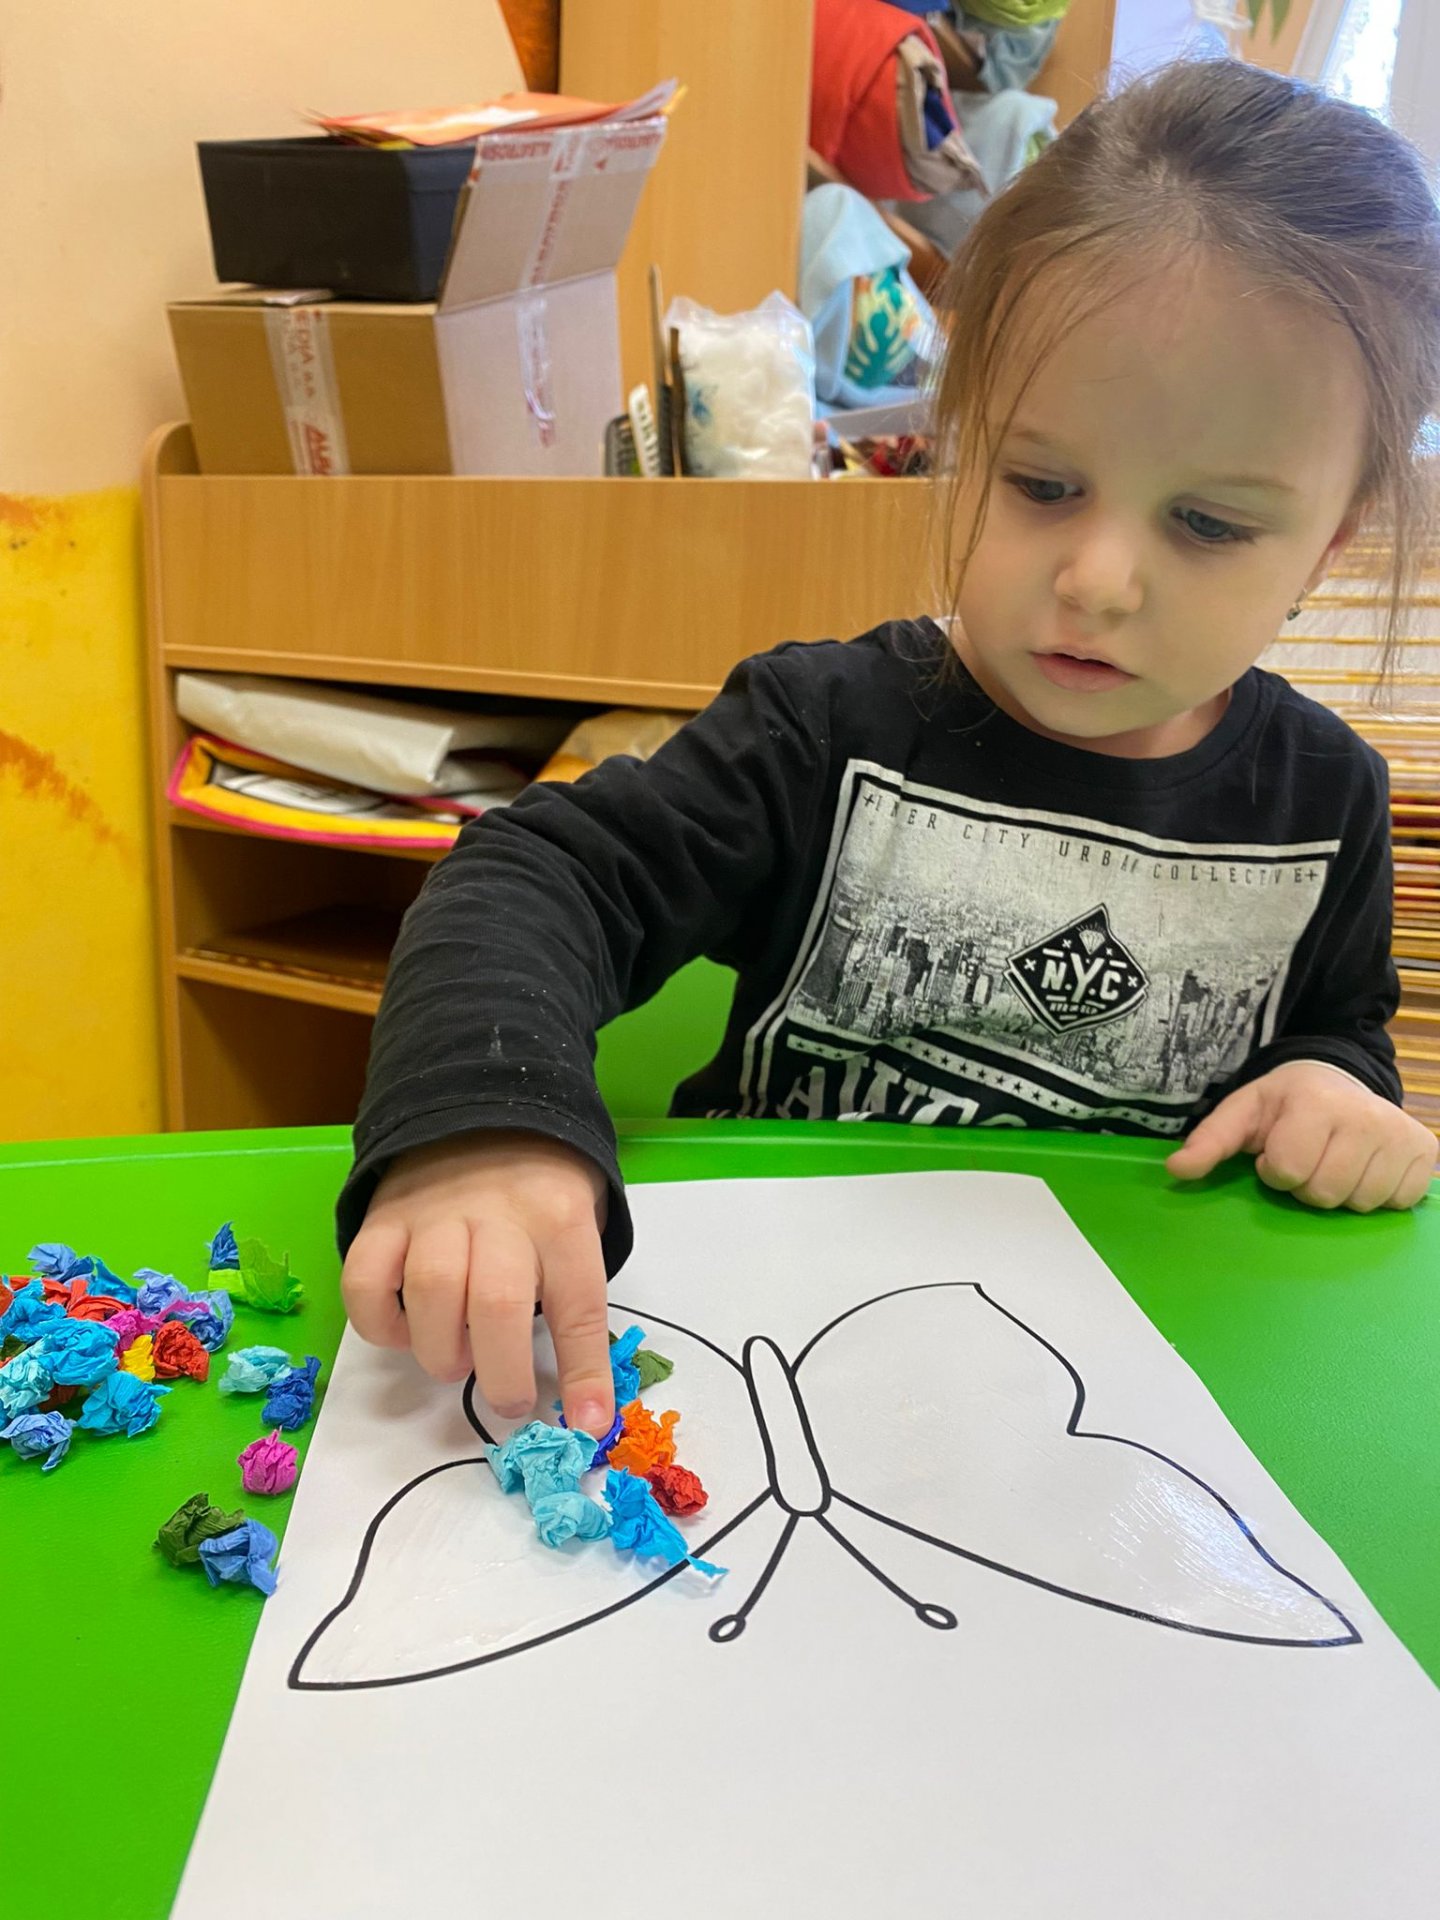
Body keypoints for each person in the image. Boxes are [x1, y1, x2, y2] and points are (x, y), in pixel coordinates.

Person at [338, 60, 1440, 1442]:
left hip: (1107, 1404)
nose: (1097, 580)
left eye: (1209, 525)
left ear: (1330, 543)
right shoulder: (821, 728)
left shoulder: (1324, 800)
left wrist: (1335, 1088)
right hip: (761, 1358)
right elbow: (535, 878)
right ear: (958, 439)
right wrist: (480, 1126)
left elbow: (1335, 1030)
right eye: (1040, 484)